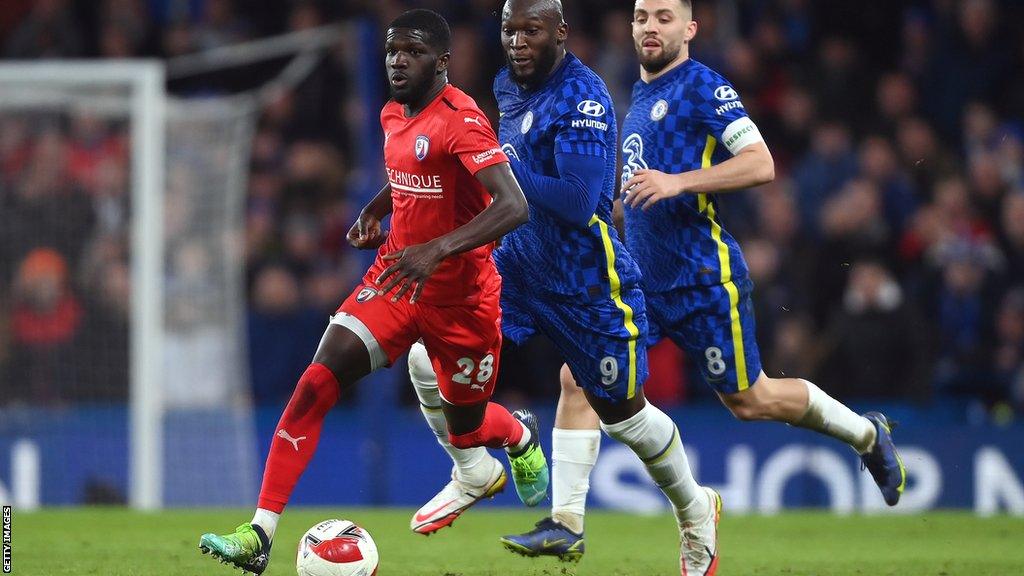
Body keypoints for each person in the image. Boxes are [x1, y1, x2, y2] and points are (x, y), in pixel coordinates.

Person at [502, 0, 908, 562]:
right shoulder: (632, 94)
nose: (650, 26)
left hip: (702, 279)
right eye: (643, 16)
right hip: (642, 277)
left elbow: (761, 162)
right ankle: (567, 522)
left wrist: (678, 183)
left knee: (751, 398)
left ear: (690, 28)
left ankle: (867, 434)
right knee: (579, 377)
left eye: (664, 17)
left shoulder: (704, 88)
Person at [197, 10, 545, 574]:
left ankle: (517, 434)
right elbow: (408, 173)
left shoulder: (464, 119)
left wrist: (437, 249)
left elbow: (513, 205)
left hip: (463, 301)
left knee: (470, 427)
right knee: (315, 383)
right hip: (395, 280)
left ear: (442, 62)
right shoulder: (390, 113)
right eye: (391, 50)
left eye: (411, 51)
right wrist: (373, 210)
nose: (397, 61)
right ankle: (259, 534)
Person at [407, 1, 721, 573]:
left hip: (585, 283)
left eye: (532, 30)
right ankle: (481, 473)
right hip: (515, 270)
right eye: (510, 30)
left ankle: (697, 511)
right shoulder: (507, 87)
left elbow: (579, 203)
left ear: (561, 33)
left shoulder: (583, 98)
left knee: (623, 415)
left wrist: (494, 163)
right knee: (427, 356)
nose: (519, 41)